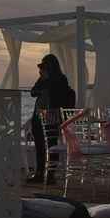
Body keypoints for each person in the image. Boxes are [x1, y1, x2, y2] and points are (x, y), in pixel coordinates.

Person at [27, 54, 73, 184]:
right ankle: (40, 173)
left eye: (44, 65)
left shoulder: (60, 79)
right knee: (40, 146)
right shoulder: (42, 79)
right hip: (38, 116)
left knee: (51, 145)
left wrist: (47, 82)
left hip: (52, 117)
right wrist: (43, 79)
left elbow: (60, 96)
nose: (42, 69)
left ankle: (50, 174)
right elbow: (33, 92)